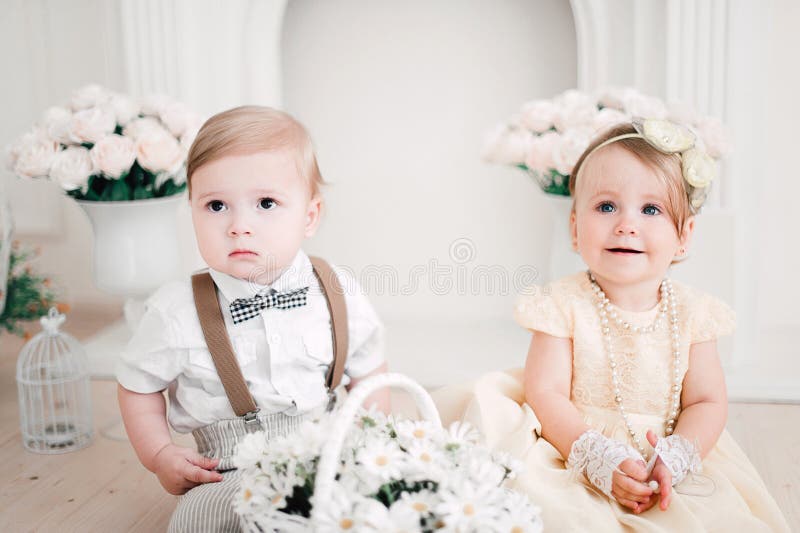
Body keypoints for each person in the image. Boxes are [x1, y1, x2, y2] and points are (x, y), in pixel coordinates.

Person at [434, 120, 789, 531]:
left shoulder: (694, 314)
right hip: (571, 444)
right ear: (573, 228)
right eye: (606, 207)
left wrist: (676, 456)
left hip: (664, 453)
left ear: (684, 236)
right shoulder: (561, 305)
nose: (626, 224)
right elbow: (546, 393)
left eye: (650, 209)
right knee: (552, 511)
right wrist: (595, 457)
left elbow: (707, 403)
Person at [116, 106, 389, 532]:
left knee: (375, 509)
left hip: (330, 453)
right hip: (230, 470)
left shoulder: (337, 291)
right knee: (202, 520)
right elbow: (138, 386)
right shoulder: (175, 311)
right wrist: (159, 455)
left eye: (266, 203)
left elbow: (369, 371)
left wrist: (373, 442)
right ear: (192, 210)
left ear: (309, 216)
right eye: (216, 205)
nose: (239, 226)